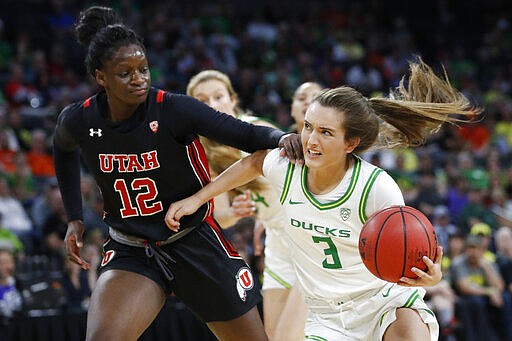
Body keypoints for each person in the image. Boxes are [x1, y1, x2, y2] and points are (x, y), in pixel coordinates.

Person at [166, 57, 482, 340]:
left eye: (326, 132)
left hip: (381, 302)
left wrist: (430, 275)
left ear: (351, 143)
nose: (311, 141)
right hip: (327, 316)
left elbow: (407, 250)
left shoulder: (376, 187)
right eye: (307, 127)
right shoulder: (286, 165)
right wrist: (197, 199)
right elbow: (252, 162)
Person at [52, 6, 302, 341]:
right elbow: (62, 149)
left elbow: (244, 133)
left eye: (142, 69)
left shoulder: (173, 109)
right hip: (133, 249)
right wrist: (74, 216)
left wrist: (283, 137)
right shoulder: (79, 119)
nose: (138, 78)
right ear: (101, 77)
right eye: (124, 73)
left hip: (193, 240)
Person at [186, 70, 315, 340]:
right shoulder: (201, 154)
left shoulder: (255, 131)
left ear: (232, 100)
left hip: (308, 235)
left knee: (291, 336)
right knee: (272, 335)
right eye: (202, 100)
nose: (211, 105)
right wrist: (236, 213)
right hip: (278, 241)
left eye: (218, 96)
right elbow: (220, 217)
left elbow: (307, 180)